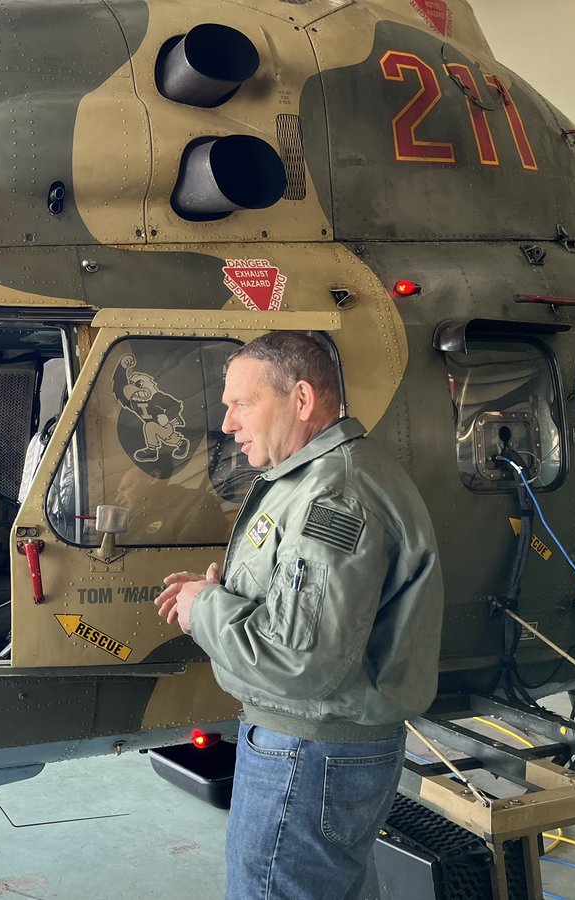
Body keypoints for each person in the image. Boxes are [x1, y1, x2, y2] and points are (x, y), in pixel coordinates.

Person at [155, 332, 443, 900]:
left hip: (307, 753)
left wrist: (204, 610)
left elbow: (300, 661)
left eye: (243, 403)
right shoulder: (318, 478)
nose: (229, 423)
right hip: (320, 748)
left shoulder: (333, 494)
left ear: (303, 400)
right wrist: (225, 595)